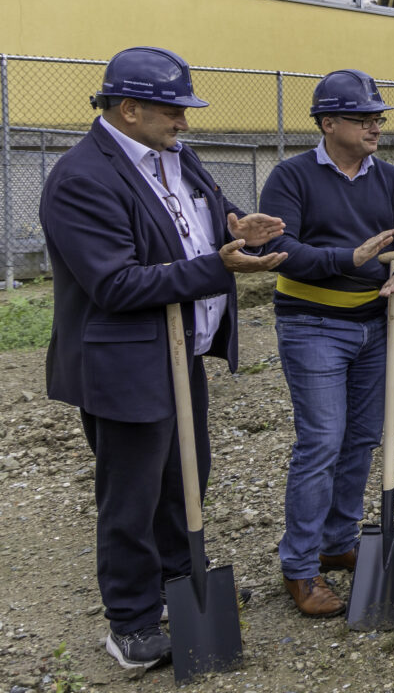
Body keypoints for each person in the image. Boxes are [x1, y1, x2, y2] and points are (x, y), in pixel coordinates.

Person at [40, 47, 286, 670]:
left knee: (186, 477)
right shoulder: (82, 179)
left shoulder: (175, 157)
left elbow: (196, 218)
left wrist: (235, 228)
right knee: (132, 496)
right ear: (129, 109)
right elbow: (116, 285)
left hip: (183, 353)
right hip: (125, 364)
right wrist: (218, 266)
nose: (185, 121)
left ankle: (182, 586)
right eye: (174, 111)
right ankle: (131, 621)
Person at [258, 69, 394, 616]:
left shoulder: (393, 180)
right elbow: (279, 247)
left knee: (360, 438)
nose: (375, 125)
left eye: (378, 117)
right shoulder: (291, 176)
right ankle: (300, 568)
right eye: (362, 118)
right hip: (312, 326)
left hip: (376, 324)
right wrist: (346, 260)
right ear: (328, 123)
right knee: (322, 441)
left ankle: (337, 543)